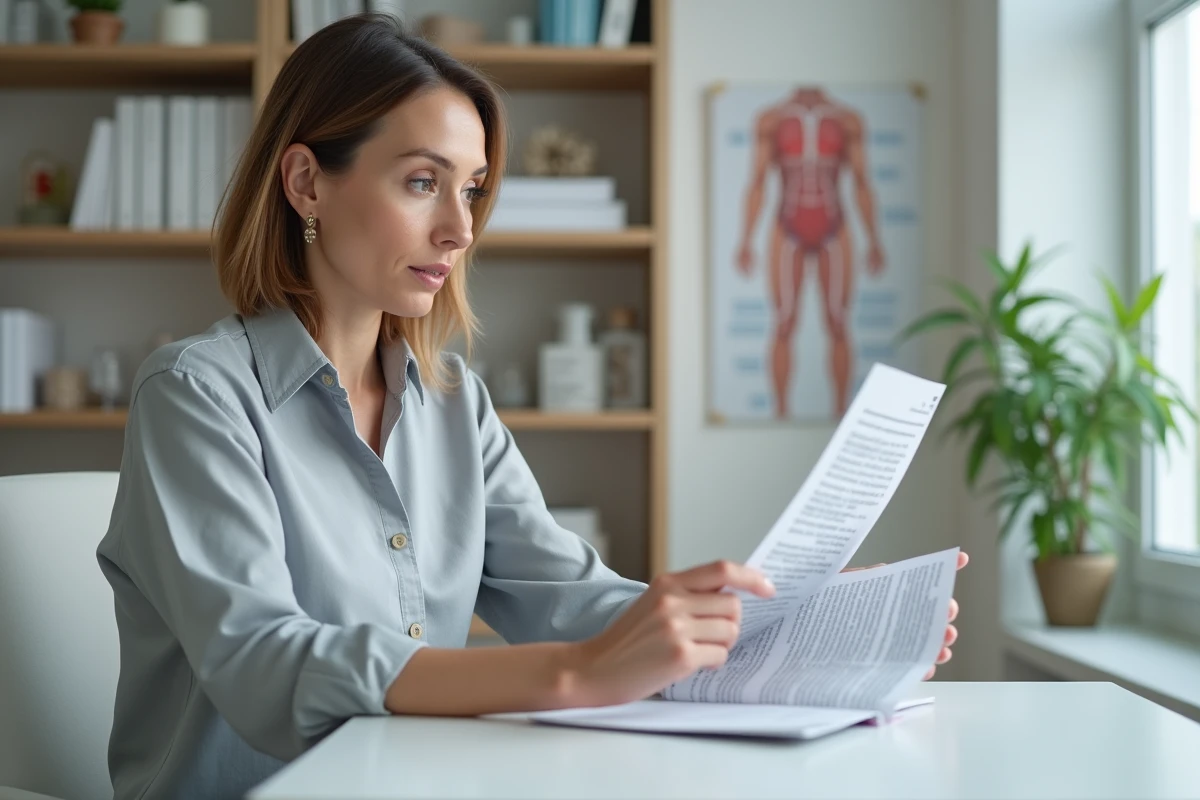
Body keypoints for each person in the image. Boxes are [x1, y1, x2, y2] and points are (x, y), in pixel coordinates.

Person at [95, 16, 963, 800]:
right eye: (422, 182)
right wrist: (572, 677)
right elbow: (263, 663)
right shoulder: (197, 396)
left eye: (470, 189)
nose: (460, 229)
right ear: (307, 184)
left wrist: (786, 620)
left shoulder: (450, 404)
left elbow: (572, 599)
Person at [736, 86, 886, 419]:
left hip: (834, 221)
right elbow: (757, 181)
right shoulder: (771, 118)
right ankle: (781, 411)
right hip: (787, 222)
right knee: (785, 320)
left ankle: (839, 411)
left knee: (837, 319)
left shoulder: (847, 120)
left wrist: (875, 239)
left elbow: (862, 181)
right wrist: (744, 239)